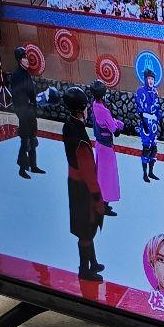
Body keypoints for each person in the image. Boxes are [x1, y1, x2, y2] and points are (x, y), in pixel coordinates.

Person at [61, 85, 105, 282]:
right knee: (87, 227)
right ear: (81, 109)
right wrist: (98, 197)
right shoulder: (80, 138)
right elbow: (89, 173)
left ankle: (93, 262)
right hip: (83, 188)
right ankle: (84, 269)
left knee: (86, 226)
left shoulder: (68, 125)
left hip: (74, 182)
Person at [87, 79, 124, 215]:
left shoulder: (95, 105)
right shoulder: (103, 110)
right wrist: (118, 124)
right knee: (107, 176)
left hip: (99, 144)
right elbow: (115, 131)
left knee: (102, 174)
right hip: (106, 146)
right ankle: (103, 205)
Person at [10, 46, 47, 179]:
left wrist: (35, 105)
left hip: (31, 113)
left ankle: (33, 165)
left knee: (33, 140)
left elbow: (31, 93)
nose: (27, 60)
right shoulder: (17, 75)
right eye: (25, 57)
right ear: (20, 60)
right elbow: (17, 96)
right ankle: (22, 168)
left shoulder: (27, 74)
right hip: (24, 113)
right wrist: (23, 112)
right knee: (25, 142)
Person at [135, 68, 162, 182]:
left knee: (154, 148)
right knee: (146, 148)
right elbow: (139, 108)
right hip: (146, 121)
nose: (151, 81)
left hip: (154, 122)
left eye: (152, 79)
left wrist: (160, 121)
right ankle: (144, 174)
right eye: (149, 78)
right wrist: (143, 123)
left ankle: (151, 172)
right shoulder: (140, 91)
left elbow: (158, 106)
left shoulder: (155, 91)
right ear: (145, 79)